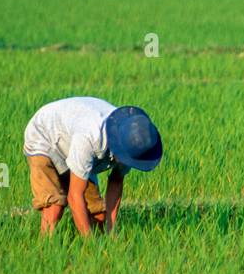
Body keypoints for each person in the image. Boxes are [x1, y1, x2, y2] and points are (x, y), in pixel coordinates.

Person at [23, 97, 162, 236]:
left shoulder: (133, 143)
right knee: (54, 207)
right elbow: (75, 195)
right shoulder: (91, 138)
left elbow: (116, 181)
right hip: (44, 135)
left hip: (72, 139)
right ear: (118, 146)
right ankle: (45, 249)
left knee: (98, 215)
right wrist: (91, 244)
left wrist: (111, 232)